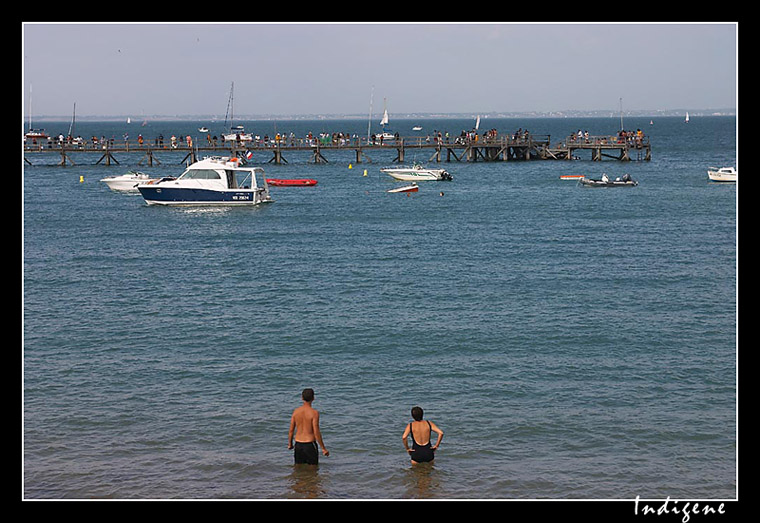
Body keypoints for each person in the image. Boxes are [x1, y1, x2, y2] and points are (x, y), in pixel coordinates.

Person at [288, 388, 329, 465]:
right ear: (313, 398)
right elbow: (316, 432)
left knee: (298, 468)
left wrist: (290, 444)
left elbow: (291, 430)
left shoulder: (296, 411)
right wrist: (323, 448)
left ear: (302, 398)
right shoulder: (314, 413)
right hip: (310, 445)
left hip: (298, 444)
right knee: (313, 469)